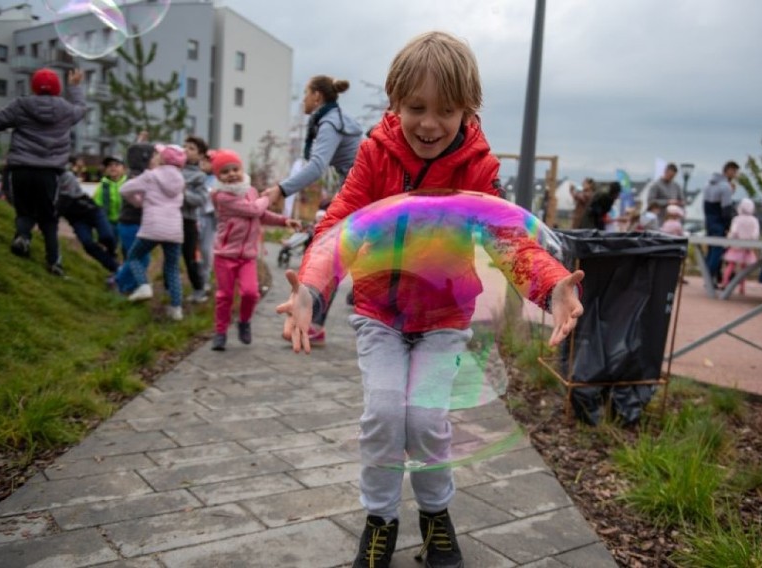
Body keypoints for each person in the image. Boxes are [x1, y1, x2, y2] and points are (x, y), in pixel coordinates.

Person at [276, 31, 585, 568]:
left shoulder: (477, 166)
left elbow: (508, 239)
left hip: (444, 318)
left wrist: (551, 282)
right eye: (416, 107)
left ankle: (436, 516)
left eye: (446, 110)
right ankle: (380, 519)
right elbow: (339, 224)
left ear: (469, 109)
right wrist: (310, 287)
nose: (429, 123)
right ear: (394, 103)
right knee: (382, 415)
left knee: (423, 421)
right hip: (379, 315)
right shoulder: (375, 155)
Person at [278, 74, 364, 345]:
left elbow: (316, 166)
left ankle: (315, 320)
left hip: (362, 193)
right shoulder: (334, 119)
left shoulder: (329, 122)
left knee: (333, 255)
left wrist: (279, 190)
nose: (303, 99)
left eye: (306, 93)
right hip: (356, 191)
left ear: (317, 96)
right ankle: (318, 319)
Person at [0, 67, 86, 275]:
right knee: (48, 216)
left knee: (24, 209)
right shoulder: (65, 109)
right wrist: (75, 87)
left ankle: (23, 237)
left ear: (33, 87)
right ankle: (54, 261)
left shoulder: (22, 105)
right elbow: (81, 108)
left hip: (20, 170)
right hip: (49, 173)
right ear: (57, 88)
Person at [209, 149, 300, 351]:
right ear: (218, 177)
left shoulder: (250, 191)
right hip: (225, 255)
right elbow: (254, 209)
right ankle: (220, 332)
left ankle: (244, 321)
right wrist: (271, 196)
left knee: (250, 293)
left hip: (247, 256)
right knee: (224, 296)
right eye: (225, 172)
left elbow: (261, 215)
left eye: (235, 169)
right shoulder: (222, 196)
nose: (232, 174)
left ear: (242, 169)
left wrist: (284, 220)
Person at [119, 144, 187, 320]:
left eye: (157, 154)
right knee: (172, 268)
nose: (154, 156)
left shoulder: (150, 176)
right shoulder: (180, 179)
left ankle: (144, 286)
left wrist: (138, 202)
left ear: (162, 159)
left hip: (152, 226)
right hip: (174, 229)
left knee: (133, 256)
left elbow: (124, 189)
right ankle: (176, 309)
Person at [57, 156, 120, 278]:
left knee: (106, 236)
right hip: (76, 219)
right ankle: (115, 267)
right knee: (87, 244)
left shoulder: (67, 177)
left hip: (92, 211)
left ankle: (112, 252)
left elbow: (65, 200)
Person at [181, 136, 210, 303]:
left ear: (200, 156)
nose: (186, 150)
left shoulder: (199, 176)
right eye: (184, 147)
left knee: (190, 257)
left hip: (188, 221)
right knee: (170, 257)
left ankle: (199, 289)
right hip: (170, 219)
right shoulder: (174, 169)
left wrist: (184, 192)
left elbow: (201, 200)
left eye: (191, 148)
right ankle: (171, 290)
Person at [703, 161, 739, 288]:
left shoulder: (708, 184)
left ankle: (708, 278)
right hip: (719, 222)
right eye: (734, 171)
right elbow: (726, 209)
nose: (735, 174)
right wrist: (728, 225)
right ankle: (710, 277)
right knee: (717, 251)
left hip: (709, 221)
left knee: (711, 250)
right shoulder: (725, 187)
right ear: (728, 170)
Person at [721, 198, 760, 295]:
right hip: (747, 247)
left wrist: (728, 241)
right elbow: (755, 234)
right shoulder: (754, 220)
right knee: (744, 268)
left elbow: (733, 232)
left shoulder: (737, 219)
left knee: (731, 265)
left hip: (736, 246)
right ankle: (742, 287)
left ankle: (725, 282)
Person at [93, 155, 127, 248]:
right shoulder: (102, 186)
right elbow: (97, 204)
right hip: (109, 222)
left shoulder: (129, 184)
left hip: (125, 222)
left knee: (127, 248)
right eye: (110, 165)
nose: (113, 167)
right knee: (109, 245)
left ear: (124, 169)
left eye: (116, 165)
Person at [197, 154, 218, 291]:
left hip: (210, 219)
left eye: (208, 161)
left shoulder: (218, 180)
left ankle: (204, 280)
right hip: (195, 217)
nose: (203, 163)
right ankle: (198, 280)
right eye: (202, 160)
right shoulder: (198, 177)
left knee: (206, 250)